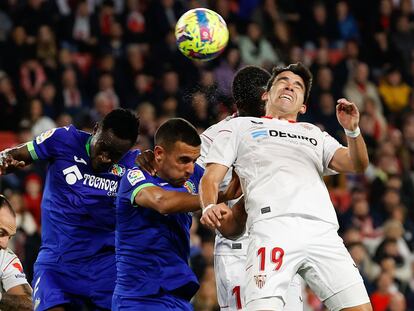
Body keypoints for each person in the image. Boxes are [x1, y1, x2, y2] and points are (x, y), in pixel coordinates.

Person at [199, 63, 372, 311]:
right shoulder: (238, 128)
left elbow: (357, 163)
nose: (290, 85)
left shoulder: (314, 133)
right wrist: (208, 207)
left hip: (323, 232)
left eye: (298, 85)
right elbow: (210, 177)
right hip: (272, 229)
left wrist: (352, 130)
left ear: (303, 105)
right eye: (282, 81)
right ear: (266, 94)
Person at [0, 108, 140, 311]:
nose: (106, 158)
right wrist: (7, 160)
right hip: (57, 265)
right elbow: (16, 155)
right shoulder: (62, 139)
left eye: (116, 155)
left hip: (105, 269)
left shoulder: (136, 166)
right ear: (95, 129)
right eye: (104, 147)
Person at [198, 66, 303, 310]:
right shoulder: (214, 138)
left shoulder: (284, 131)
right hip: (238, 249)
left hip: (280, 246)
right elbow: (196, 188)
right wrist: (219, 200)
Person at [112, 118, 205, 310]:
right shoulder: (136, 175)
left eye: (194, 161)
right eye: (184, 160)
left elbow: (230, 190)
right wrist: (213, 199)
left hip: (177, 297)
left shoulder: (195, 175)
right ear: (160, 153)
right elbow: (161, 202)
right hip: (138, 298)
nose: (190, 168)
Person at [0, 194, 32, 311]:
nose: (4, 244)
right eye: (0, 232)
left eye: (9, 237)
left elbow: (27, 302)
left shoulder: (5, 257)